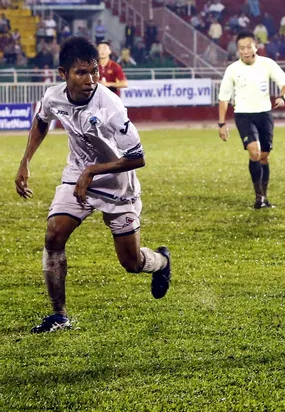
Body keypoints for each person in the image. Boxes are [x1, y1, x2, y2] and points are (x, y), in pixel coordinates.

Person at [14, 36, 171, 334]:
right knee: (54, 235)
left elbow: (138, 158)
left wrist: (93, 171)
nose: (90, 80)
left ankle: (161, 262)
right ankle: (59, 315)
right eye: (81, 73)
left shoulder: (111, 107)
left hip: (116, 182)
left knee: (131, 262)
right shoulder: (53, 96)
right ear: (63, 74)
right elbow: (42, 121)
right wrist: (25, 162)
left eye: (94, 72)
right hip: (77, 173)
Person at [218, 31, 285, 209]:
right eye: (241, 48)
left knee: (264, 157)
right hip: (243, 115)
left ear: (256, 46)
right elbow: (224, 98)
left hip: (264, 115)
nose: (245, 51)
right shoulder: (233, 70)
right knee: (254, 152)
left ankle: (264, 197)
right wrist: (221, 123)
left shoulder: (267, 64)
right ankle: (258, 198)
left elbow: (284, 82)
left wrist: (282, 96)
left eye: (248, 47)